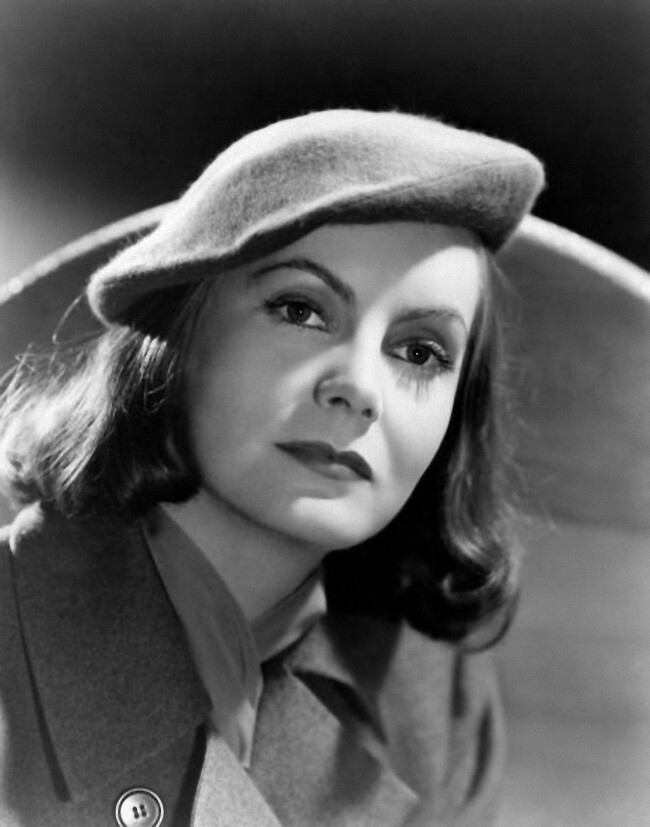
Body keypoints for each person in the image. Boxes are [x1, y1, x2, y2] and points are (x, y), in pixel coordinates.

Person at [0, 109, 544, 826]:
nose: (359, 388)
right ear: (175, 333)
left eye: (420, 352)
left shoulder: (431, 695)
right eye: (299, 309)